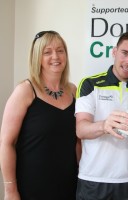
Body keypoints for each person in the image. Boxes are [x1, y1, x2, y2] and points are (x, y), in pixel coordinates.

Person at [0, 31, 80, 200]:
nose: (55, 56)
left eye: (60, 50)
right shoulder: (25, 91)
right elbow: (6, 143)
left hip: (69, 185)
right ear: (37, 57)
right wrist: (10, 190)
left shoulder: (73, 90)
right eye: (47, 52)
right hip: (32, 187)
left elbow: (77, 141)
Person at [75, 31, 128, 200]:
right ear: (114, 51)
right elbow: (80, 129)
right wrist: (104, 125)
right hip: (92, 180)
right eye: (125, 53)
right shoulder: (90, 84)